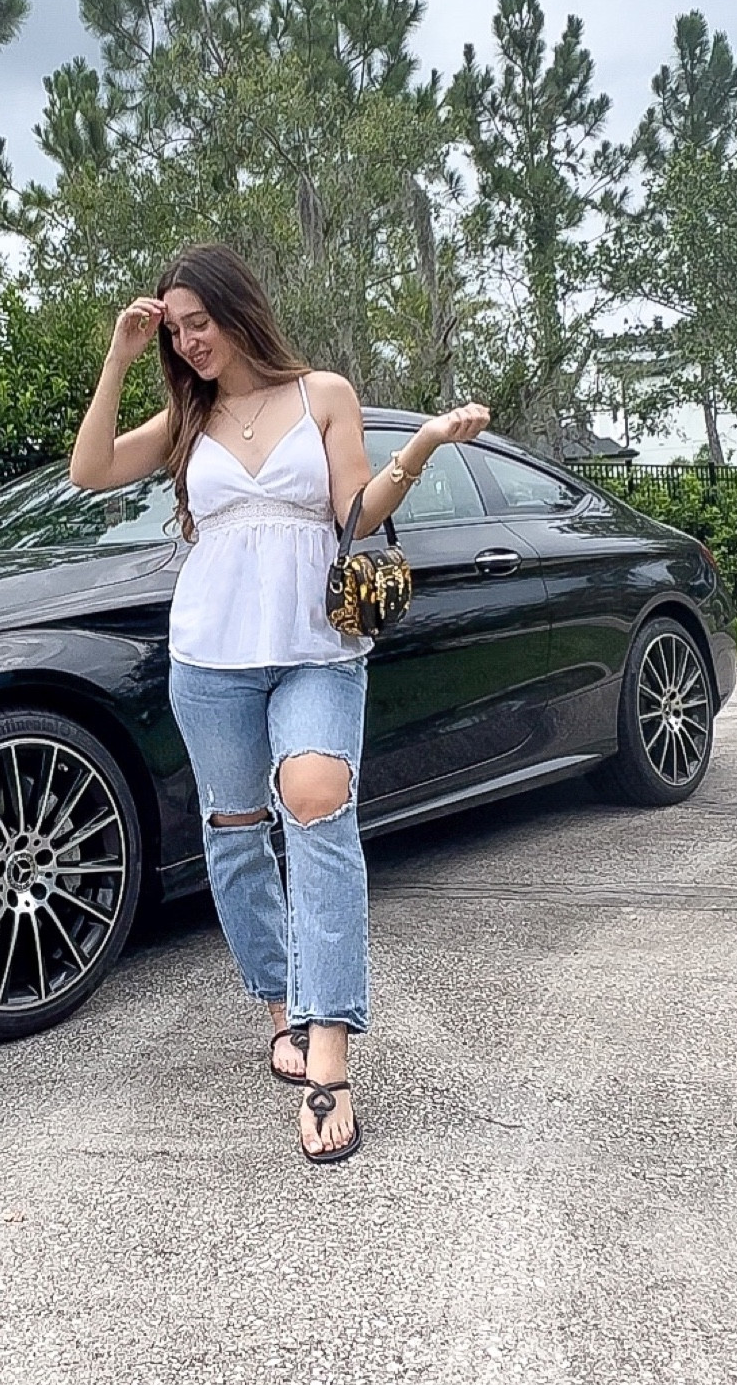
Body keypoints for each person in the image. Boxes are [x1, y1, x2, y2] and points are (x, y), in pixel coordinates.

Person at [68, 243, 490, 1163]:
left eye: (197, 323)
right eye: (176, 331)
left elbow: (355, 513)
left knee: (315, 800)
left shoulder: (322, 395)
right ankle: (280, 1003)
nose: (189, 342)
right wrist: (122, 353)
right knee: (232, 826)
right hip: (209, 654)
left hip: (316, 646)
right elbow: (89, 470)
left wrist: (419, 445)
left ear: (235, 310)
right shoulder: (187, 417)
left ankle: (330, 1049)